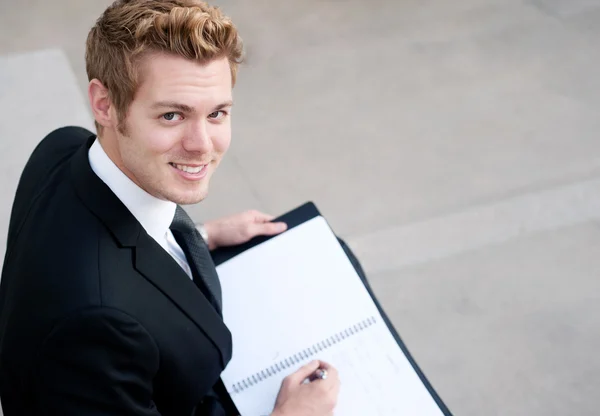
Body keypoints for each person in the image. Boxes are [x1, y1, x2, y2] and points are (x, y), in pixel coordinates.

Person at [0, 1, 353, 415]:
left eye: (217, 113)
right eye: (172, 115)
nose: (202, 145)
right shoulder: (98, 328)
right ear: (104, 104)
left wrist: (199, 236)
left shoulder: (61, 149)